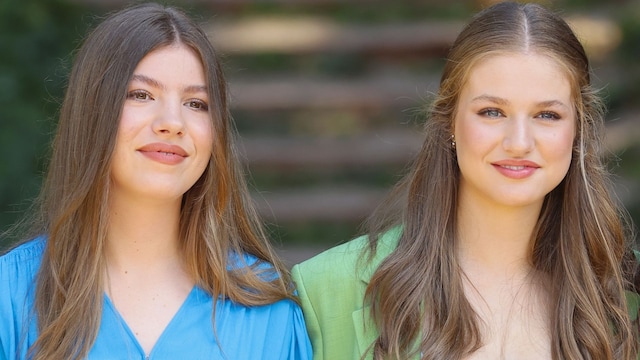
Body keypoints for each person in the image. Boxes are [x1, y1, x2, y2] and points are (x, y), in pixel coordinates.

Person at [292, 2, 640, 359]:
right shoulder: (325, 289)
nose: (519, 142)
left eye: (547, 115)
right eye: (492, 112)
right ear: (450, 122)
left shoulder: (626, 300)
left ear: (578, 130)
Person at [0, 3, 311, 360]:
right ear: (91, 112)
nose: (172, 122)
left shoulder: (268, 310)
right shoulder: (10, 297)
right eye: (141, 95)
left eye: (196, 103)